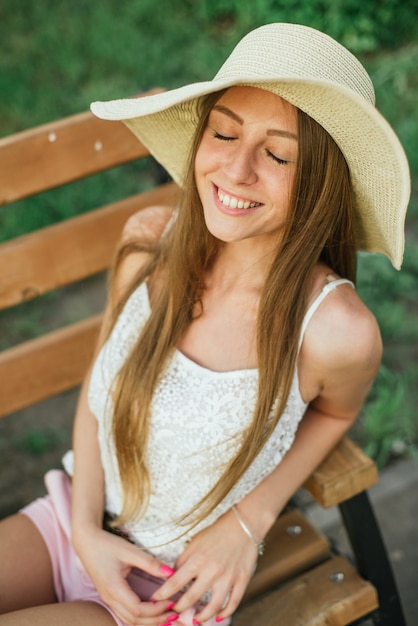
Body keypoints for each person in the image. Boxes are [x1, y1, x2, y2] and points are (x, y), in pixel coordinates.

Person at [0, 22, 410, 626]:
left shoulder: (333, 331)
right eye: (223, 131)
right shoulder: (148, 246)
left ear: (320, 186)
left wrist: (248, 521)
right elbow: (98, 392)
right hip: (71, 516)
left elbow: (336, 412)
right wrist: (84, 530)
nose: (237, 169)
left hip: (166, 592)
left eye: (276, 153)